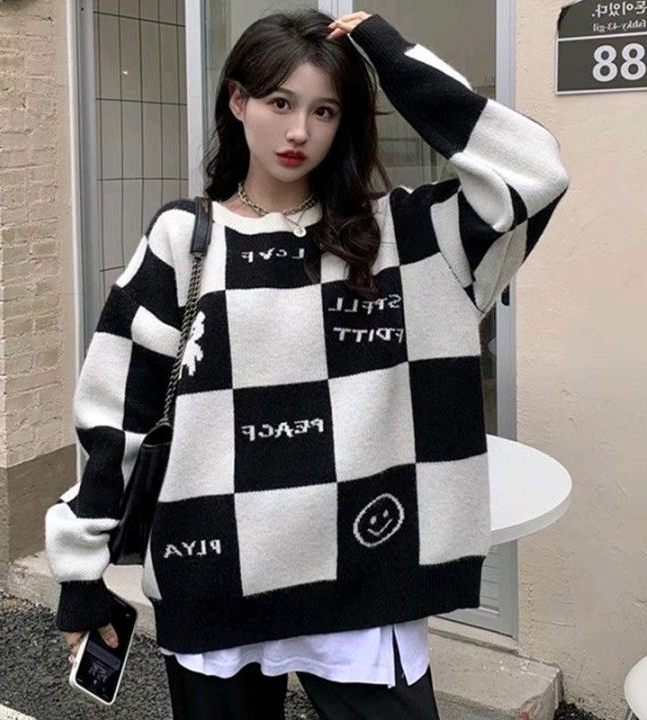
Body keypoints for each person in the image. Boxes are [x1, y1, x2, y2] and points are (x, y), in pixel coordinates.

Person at [45, 8, 570, 719]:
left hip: (365, 580)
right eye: (279, 102)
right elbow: (119, 414)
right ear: (238, 102)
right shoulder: (185, 238)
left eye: (324, 110)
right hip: (217, 575)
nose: (299, 131)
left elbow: (535, 171)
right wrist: (80, 570)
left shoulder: (407, 236)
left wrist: (389, 55)